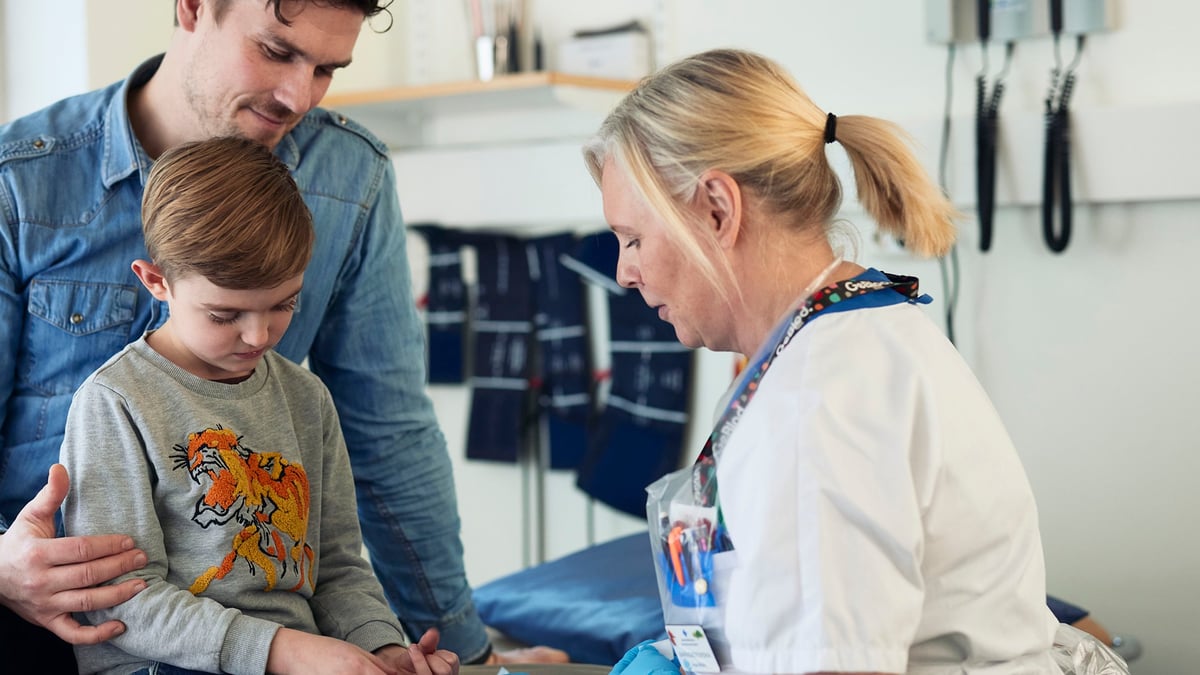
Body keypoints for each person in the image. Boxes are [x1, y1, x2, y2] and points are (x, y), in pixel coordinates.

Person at [0, 0, 563, 667]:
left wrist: (467, 656)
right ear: (192, 7)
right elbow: (130, 602)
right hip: (61, 622)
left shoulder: (350, 177)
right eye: (276, 50)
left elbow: (390, 446)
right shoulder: (22, 182)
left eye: (327, 68)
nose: (299, 95)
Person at [583, 49, 1127, 674]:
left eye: (633, 239)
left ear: (718, 209)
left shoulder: (816, 402)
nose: (626, 272)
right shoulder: (836, 343)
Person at [58, 135, 458, 675]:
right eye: (225, 315)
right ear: (157, 282)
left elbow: (337, 568)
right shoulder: (114, 404)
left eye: (284, 304)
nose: (258, 335)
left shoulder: (306, 398)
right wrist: (284, 651)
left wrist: (380, 649)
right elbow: (120, 597)